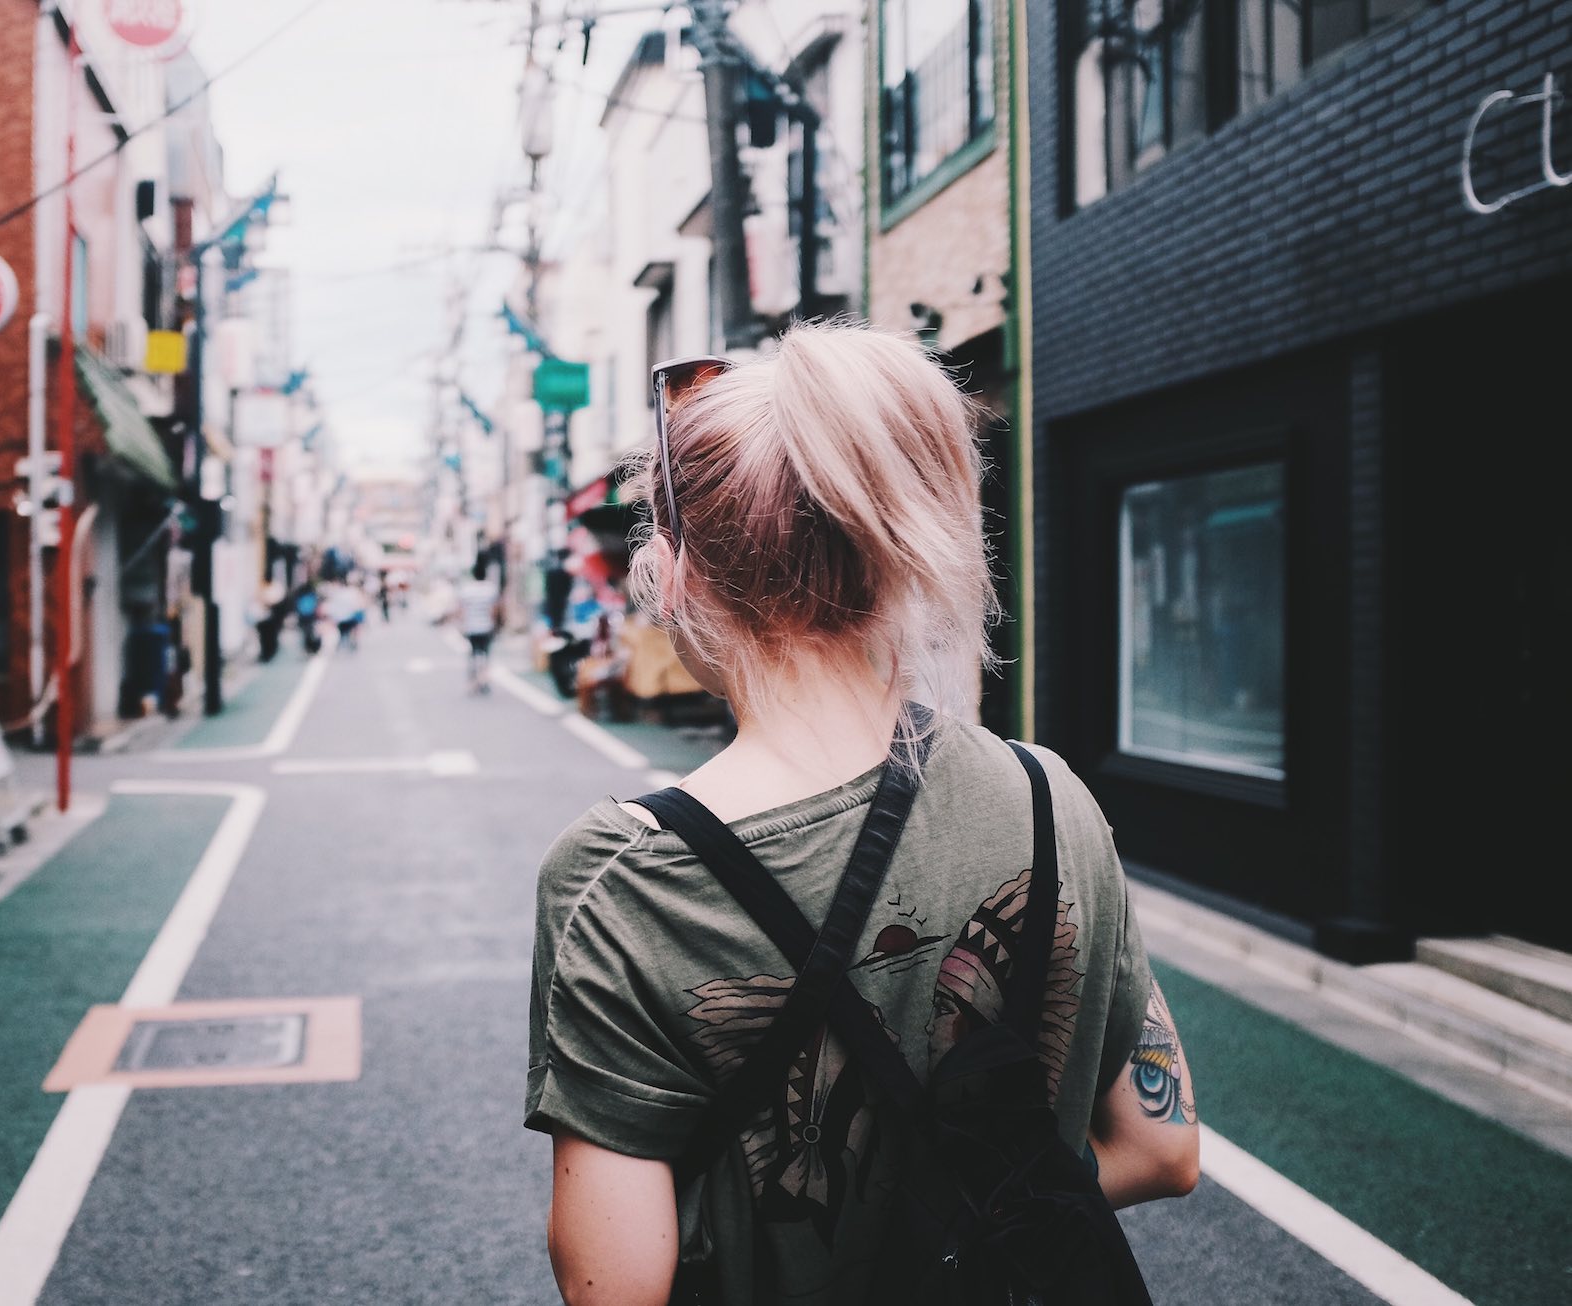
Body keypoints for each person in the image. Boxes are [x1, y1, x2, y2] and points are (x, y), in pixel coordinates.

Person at [527, 324, 1197, 1306]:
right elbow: (1159, 1145)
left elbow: (615, 1286)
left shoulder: (619, 877)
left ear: (675, 578)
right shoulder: (1048, 795)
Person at [456, 556, 500, 694]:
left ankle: (473, 681)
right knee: (486, 655)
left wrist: (461, 625)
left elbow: (461, 610)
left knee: (473, 654)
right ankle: (484, 681)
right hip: (486, 626)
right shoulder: (490, 589)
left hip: (471, 627)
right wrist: (495, 625)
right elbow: (494, 610)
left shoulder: (467, 590)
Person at [328, 575, 367, 651]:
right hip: (349, 616)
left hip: (342, 618)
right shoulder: (350, 592)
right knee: (349, 631)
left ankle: (343, 645)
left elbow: (333, 607)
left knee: (343, 633)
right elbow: (356, 605)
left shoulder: (338, 593)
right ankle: (351, 643)